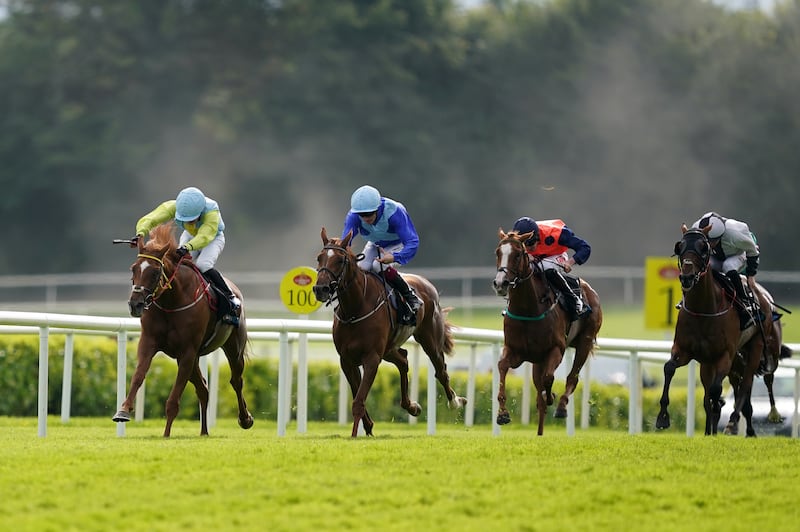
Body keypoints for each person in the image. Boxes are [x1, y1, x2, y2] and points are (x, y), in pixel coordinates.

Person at [131, 186, 241, 327]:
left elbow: (205, 235)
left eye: (191, 219)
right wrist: (140, 233)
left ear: (201, 212)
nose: (187, 222)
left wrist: (187, 247)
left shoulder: (211, 211)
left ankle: (229, 297)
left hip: (213, 238)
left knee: (203, 265)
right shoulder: (173, 206)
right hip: (190, 236)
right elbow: (151, 219)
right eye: (184, 219)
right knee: (178, 265)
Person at [341, 185, 422, 324]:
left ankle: (410, 296)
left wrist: (395, 257)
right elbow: (345, 243)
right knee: (362, 267)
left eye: (369, 214)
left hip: (398, 243)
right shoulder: (353, 216)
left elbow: (412, 242)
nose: (365, 218)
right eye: (362, 215)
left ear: (378, 208)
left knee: (377, 266)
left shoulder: (394, 212)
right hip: (376, 243)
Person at [511, 216, 592, 321]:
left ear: (537, 236)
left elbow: (584, 247)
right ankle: (512, 305)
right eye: (524, 245)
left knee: (547, 268)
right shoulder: (517, 240)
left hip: (555, 255)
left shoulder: (558, 233)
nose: (528, 248)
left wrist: (570, 262)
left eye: (530, 244)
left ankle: (575, 300)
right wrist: (526, 255)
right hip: (535, 258)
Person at [692, 211, 760, 329]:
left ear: (721, 235)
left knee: (728, 267)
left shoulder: (735, 234)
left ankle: (744, 302)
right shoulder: (696, 229)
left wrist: (751, 276)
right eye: (707, 241)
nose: (711, 244)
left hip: (737, 254)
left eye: (713, 241)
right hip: (715, 257)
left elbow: (752, 251)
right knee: (704, 267)